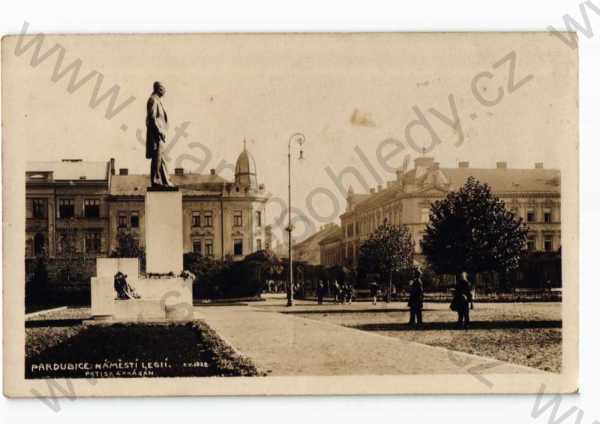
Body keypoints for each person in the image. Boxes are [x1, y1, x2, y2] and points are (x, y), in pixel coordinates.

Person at [146, 81, 175, 188]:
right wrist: (159, 131)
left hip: (159, 135)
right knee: (157, 157)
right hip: (157, 135)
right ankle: (156, 181)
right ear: (158, 89)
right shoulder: (153, 100)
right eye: (163, 88)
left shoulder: (158, 101)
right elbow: (151, 118)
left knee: (160, 158)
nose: (165, 90)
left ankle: (164, 181)